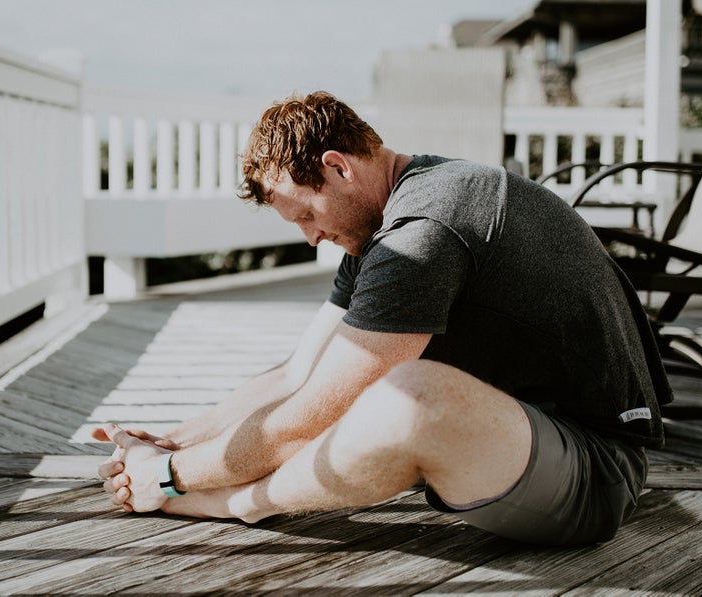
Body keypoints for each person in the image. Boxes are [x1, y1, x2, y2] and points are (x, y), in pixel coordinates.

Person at [93, 91, 672, 546]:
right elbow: (298, 375)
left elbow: (309, 416)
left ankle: (239, 504)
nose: (312, 236)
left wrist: (173, 478)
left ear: (337, 167)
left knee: (406, 397)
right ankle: (211, 487)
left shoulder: (424, 231)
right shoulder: (381, 226)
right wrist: (171, 441)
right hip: (514, 441)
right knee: (356, 386)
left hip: (594, 471)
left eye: (306, 215)